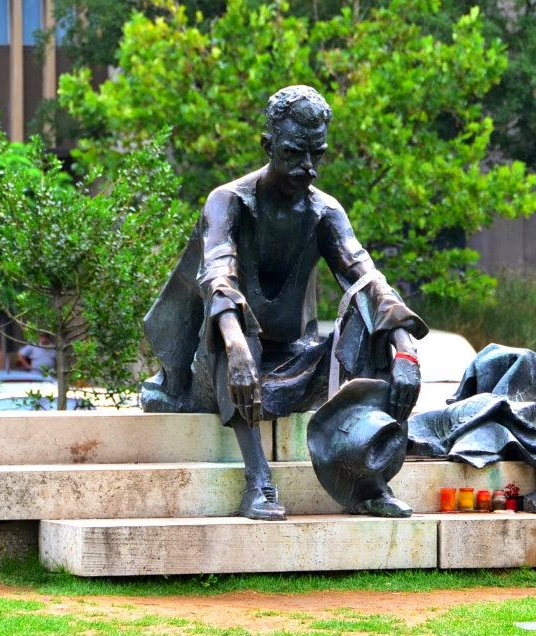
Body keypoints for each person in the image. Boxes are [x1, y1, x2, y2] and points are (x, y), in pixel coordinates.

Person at [142, 85, 428, 521]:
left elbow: (366, 277)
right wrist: (237, 347)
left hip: (296, 357)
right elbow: (217, 275)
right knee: (235, 327)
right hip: (222, 360)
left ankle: (367, 482)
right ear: (268, 145)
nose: (307, 167)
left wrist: (405, 350)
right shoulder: (228, 201)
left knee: (370, 323)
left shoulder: (325, 211)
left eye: (317, 154)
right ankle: (258, 482)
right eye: (295, 153)